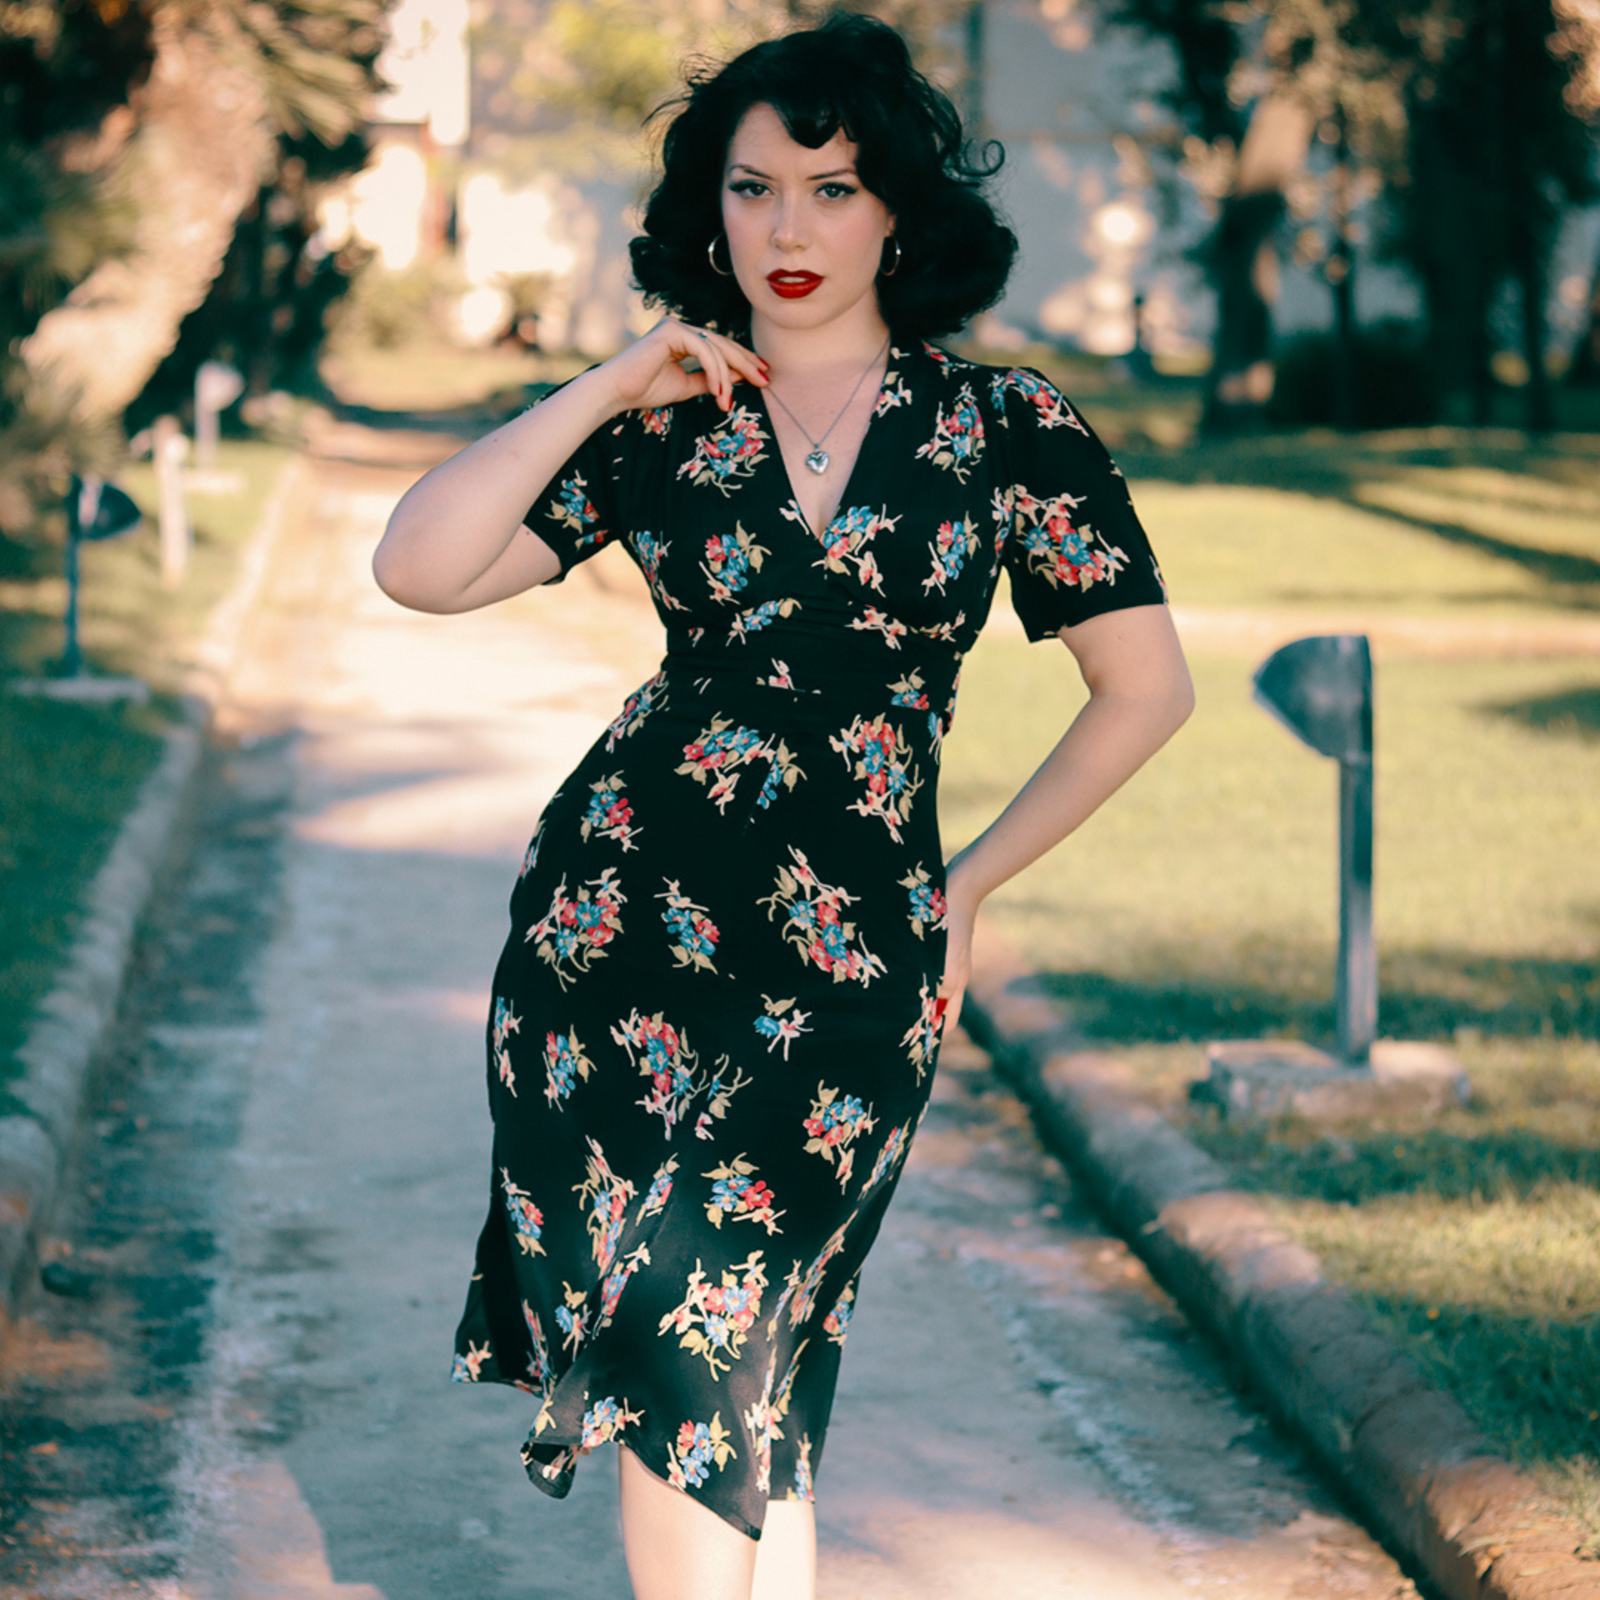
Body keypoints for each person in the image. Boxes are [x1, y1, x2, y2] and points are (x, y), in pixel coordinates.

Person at [372, 14, 1193, 1600]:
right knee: (720, 1379)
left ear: (899, 211)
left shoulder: (1008, 433)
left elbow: (1145, 690)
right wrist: (612, 382)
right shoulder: (665, 419)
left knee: (726, 1339)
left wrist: (968, 887)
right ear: (713, 213)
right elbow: (418, 566)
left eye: (832, 188)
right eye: (754, 191)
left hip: (858, 952)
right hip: (610, 939)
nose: (791, 230)